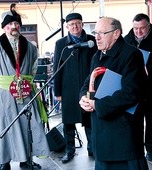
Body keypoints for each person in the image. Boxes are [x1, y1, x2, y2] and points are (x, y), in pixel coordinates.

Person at [79, 16, 149, 170]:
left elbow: (131, 92)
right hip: (101, 132)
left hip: (123, 133)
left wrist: (98, 105)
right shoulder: (97, 55)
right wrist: (83, 98)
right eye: (95, 32)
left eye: (102, 33)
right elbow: (87, 81)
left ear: (116, 34)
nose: (96, 37)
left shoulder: (131, 55)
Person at [0, 10, 50, 170]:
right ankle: (4, 161)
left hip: (26, 91)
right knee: (5, 126)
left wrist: (26, 82)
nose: (14, 27)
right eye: (10, 24)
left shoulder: (29, 46)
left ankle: (26, 159)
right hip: (5, 93)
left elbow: (34, 68)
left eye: (16, 24)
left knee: (29, 124)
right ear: (4, 27)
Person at [53, 13, 97, 163]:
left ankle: (93, 148)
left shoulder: (91, 40)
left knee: (89, 119)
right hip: (68, 88)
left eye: (78, 23)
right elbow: (57, 68)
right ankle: (69, 150)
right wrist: (57, 91)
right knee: (68, 122)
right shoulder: (61, 44)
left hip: (88, 87)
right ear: (67, 27)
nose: (75, 27)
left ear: (82, 24)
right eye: (71, 24)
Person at [124, 13, 152, 161]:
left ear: (148, 26)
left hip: (151, 87)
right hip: (132, 87)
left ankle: (151, 148)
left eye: (142, 28)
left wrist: (151, 69)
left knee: (151, 119)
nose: (139, 32)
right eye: (135, 28)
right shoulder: (125, 41)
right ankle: (135, 148)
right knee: (132, 119)